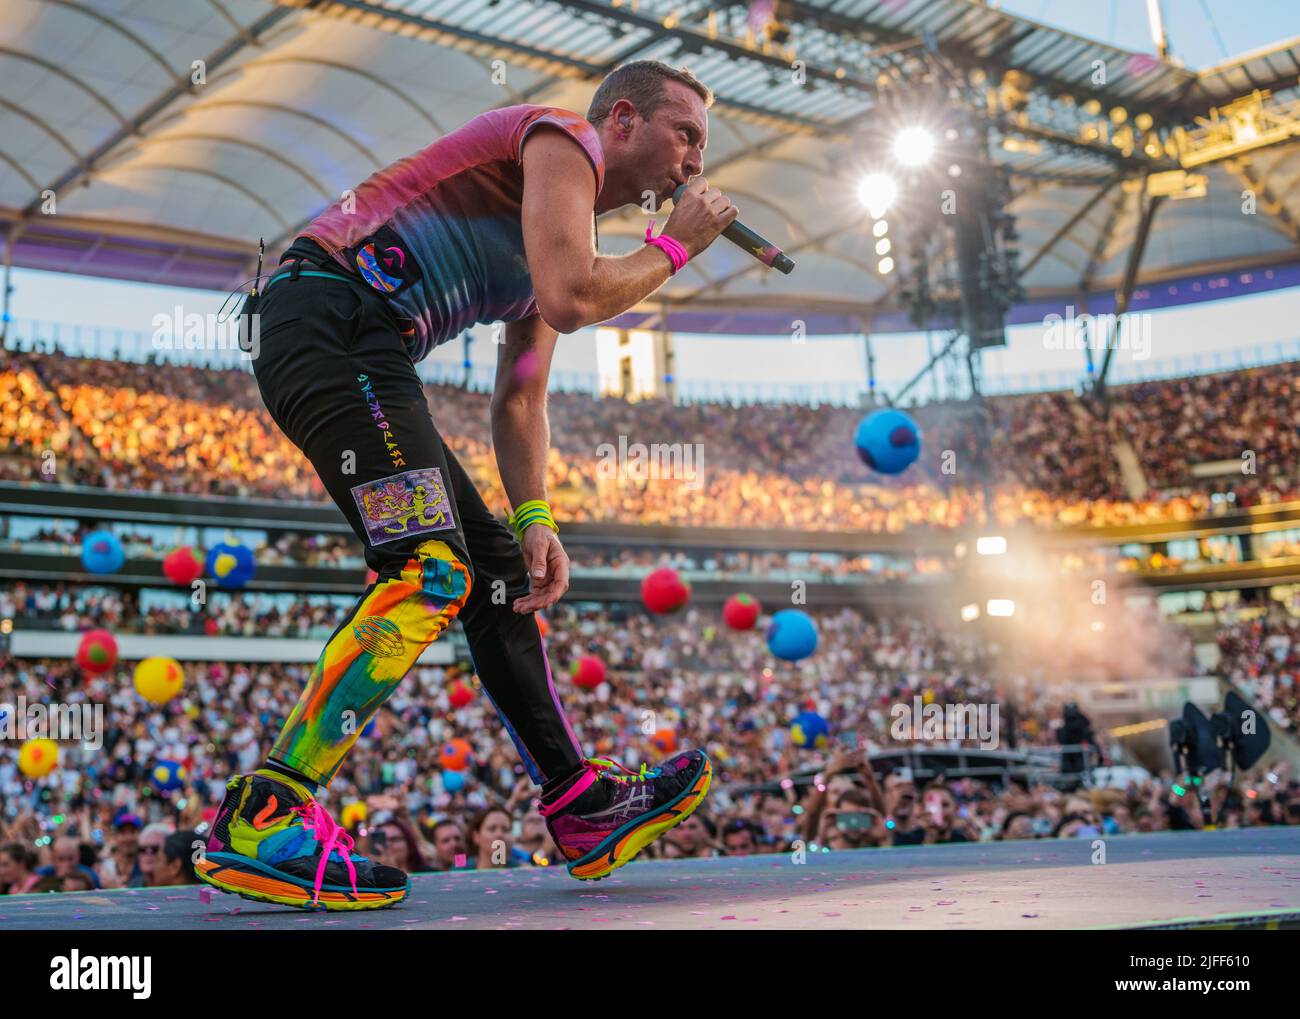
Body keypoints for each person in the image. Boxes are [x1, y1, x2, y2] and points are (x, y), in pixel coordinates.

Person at [200, 59, 734, 911]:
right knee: (429, 571)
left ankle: (581, 805)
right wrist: (677, 246)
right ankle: (265, 814)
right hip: (333, 315)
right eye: (688, 135)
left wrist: (533, 515)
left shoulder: (555, 229)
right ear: (625, 120)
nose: (695, 163)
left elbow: (520, 395)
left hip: (361, 340)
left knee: (495, 579)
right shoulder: (564, 138)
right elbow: (571, 298)